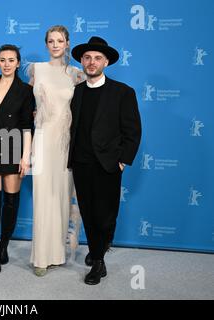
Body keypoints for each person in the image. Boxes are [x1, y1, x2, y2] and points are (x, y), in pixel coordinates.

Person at [68, 36, 142, 285]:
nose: (91, 62)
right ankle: (97, 255)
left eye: (97, 58)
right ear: (81, 61)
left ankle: (99, 254)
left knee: (106, 213)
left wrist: (122, 161)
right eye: (87, 58)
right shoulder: (77, 92)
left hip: (108, 163)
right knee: (88, 212)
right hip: (81, 161)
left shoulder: (122, 92)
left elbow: (133, 131)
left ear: (106, 62)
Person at [29, 25, 84, 277]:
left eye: (59, 40)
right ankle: (41, 256)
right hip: (42, 139)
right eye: (50, 41)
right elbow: (30, 104)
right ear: (46, 44)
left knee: (61, 195)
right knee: (42, 196)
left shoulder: (76, 74)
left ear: (67, 43)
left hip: (64, 142)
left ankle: (58, 254)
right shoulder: (35, 69)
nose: (54, 45)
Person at [0, 44, 34, 274]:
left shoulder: (25, 91)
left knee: (11, 202)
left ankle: (4, 246)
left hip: (15, 147)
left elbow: (26, 126)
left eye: (11, 60)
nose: (7, 64)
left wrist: (25, 157)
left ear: (18, 63)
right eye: (2, 60)